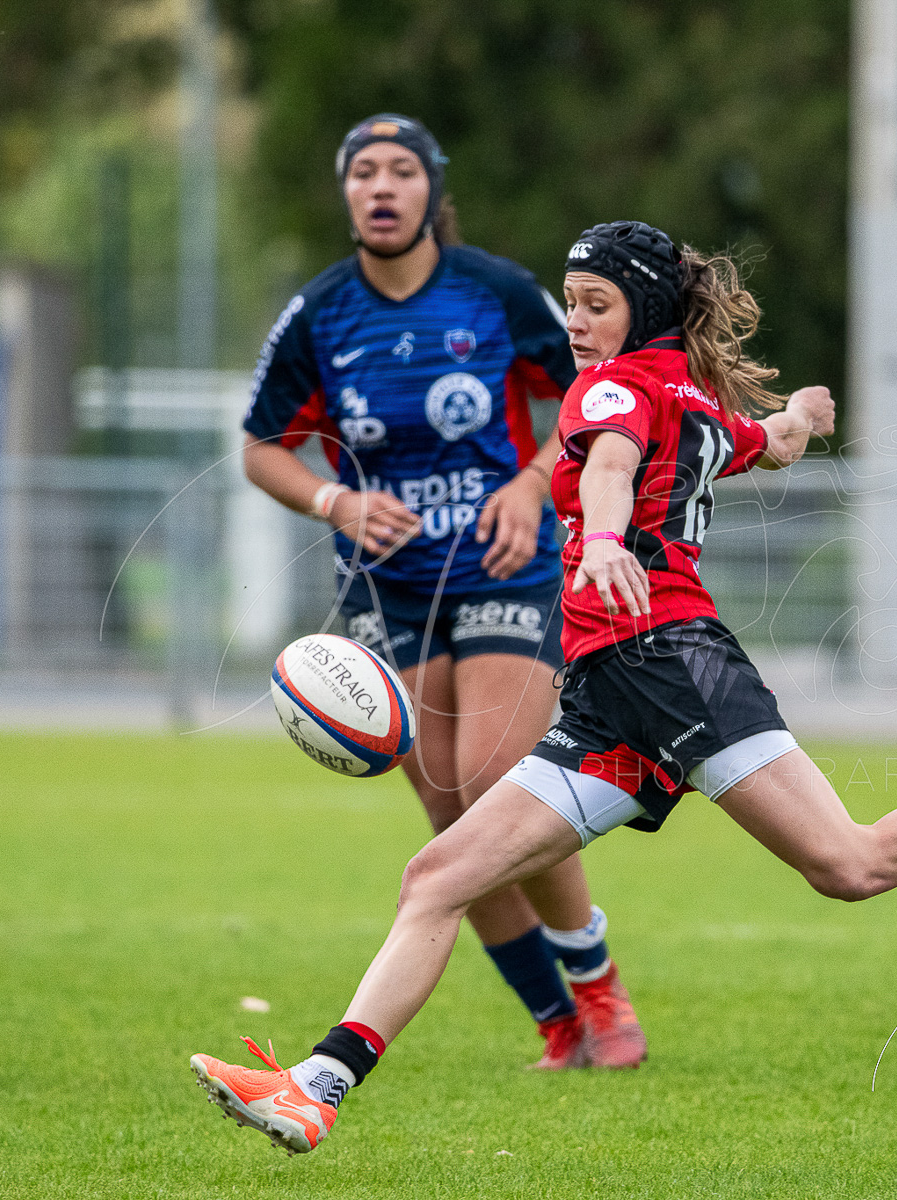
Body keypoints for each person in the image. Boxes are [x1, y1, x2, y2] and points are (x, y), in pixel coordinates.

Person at [189, 219, 897, 1154]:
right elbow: (770, 443)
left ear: (640, 309)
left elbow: (612, 467)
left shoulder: (616, 391)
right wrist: (797, 413)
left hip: (675, 664)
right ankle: (315, 1087)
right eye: (569, 303)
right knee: (439, 878)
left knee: (850, 863)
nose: (575, 324)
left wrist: (612, 537)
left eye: (594, 304)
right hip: (606, 698)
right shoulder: (691, 395)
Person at [239, 114, 645, 1070]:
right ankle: (557, 1023)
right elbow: (261, 446)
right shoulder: (319, 314)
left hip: (510, 564)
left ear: (431, 191)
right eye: (363, 173)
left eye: (400, 172)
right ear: (347, 194)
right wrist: (335, 499)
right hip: (390, 587)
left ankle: (597, 986)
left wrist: (534, 481)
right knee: (451, 819)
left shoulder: (496, 290)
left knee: (497, 779)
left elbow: (596, 387)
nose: (381, 187)